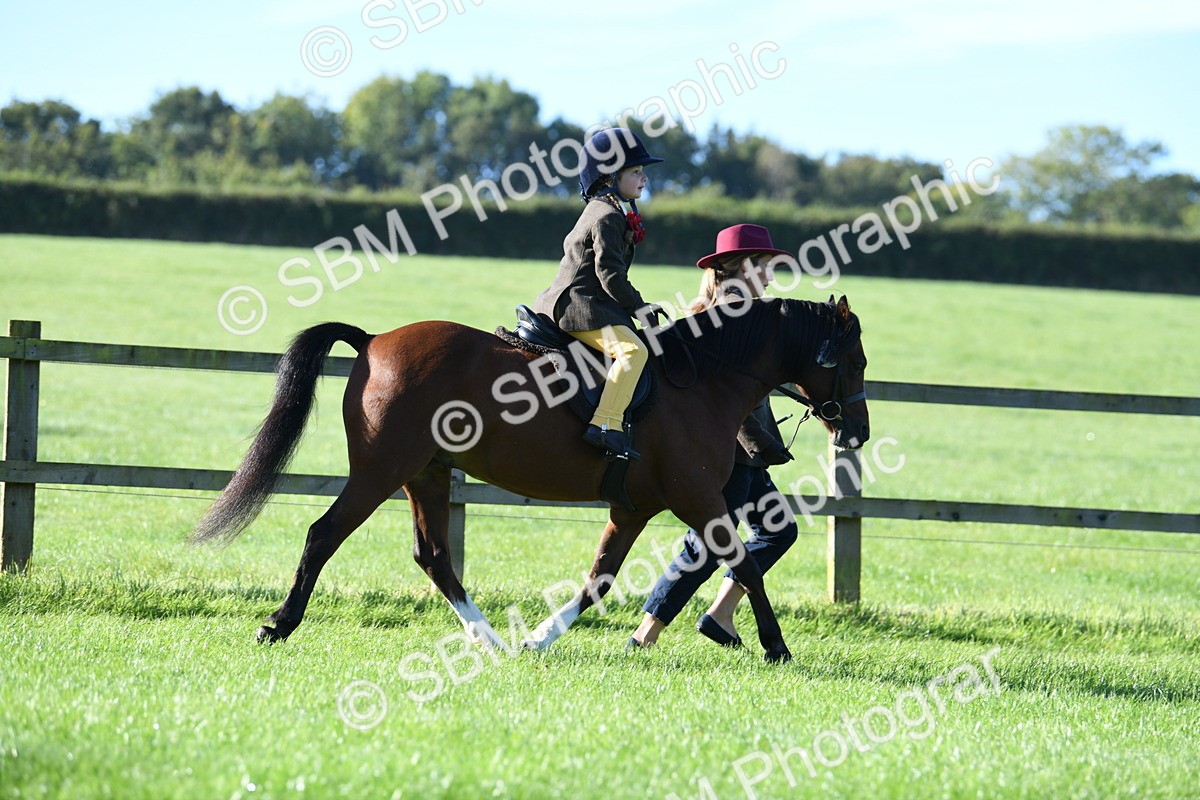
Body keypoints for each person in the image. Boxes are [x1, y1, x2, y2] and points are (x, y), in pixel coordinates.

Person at [629, 223, 800, 648]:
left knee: (777, 531)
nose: (771, 275)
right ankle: (645, 635)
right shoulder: (732, 314)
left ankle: (721, 615)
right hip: (733, 452)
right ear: (742, 267)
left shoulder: (733, 309)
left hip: (748, 451)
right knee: (706, 543)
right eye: (765, 266)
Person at [532, 127, 663, 459]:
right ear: (608, 177)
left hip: (583, 302)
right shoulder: (607, 216)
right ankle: (605, 425)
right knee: (634, 352)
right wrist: (640, 308)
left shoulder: (604, 209)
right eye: (636, 172)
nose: (644, 179)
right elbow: (610, 276)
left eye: (643, 172)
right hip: (581, 307)